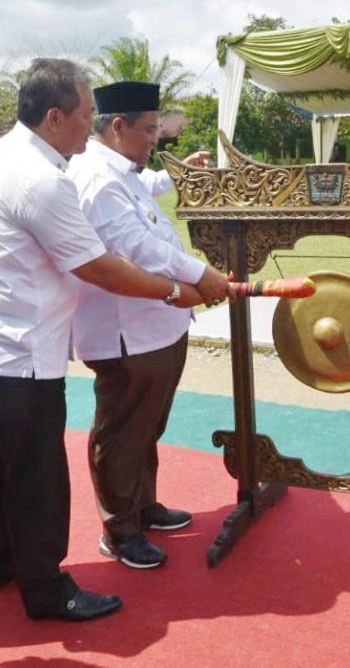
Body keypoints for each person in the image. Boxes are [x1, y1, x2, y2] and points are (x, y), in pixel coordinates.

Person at [0, 58, 205, 621]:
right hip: (20, 348)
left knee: (6, 464)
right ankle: (44, 588)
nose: (93, 125)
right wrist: (175, 290)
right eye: (87, 113)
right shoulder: (42, 178)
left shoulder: (10, 152)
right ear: (54, 117)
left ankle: (4, 563)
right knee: (39, 476)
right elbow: (99, 265)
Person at [68, 81, 231, 569]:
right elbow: (135, 246)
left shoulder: (120, 171)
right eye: (149, 130)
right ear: (117, 128)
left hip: (158, 322)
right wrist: (200, 273)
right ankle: (119, 529)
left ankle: (142, 505)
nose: (155, 139)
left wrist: (173, 177)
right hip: (126, 331)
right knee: (122, 430)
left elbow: (142, 193)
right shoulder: (96, 179)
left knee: (147, 423)